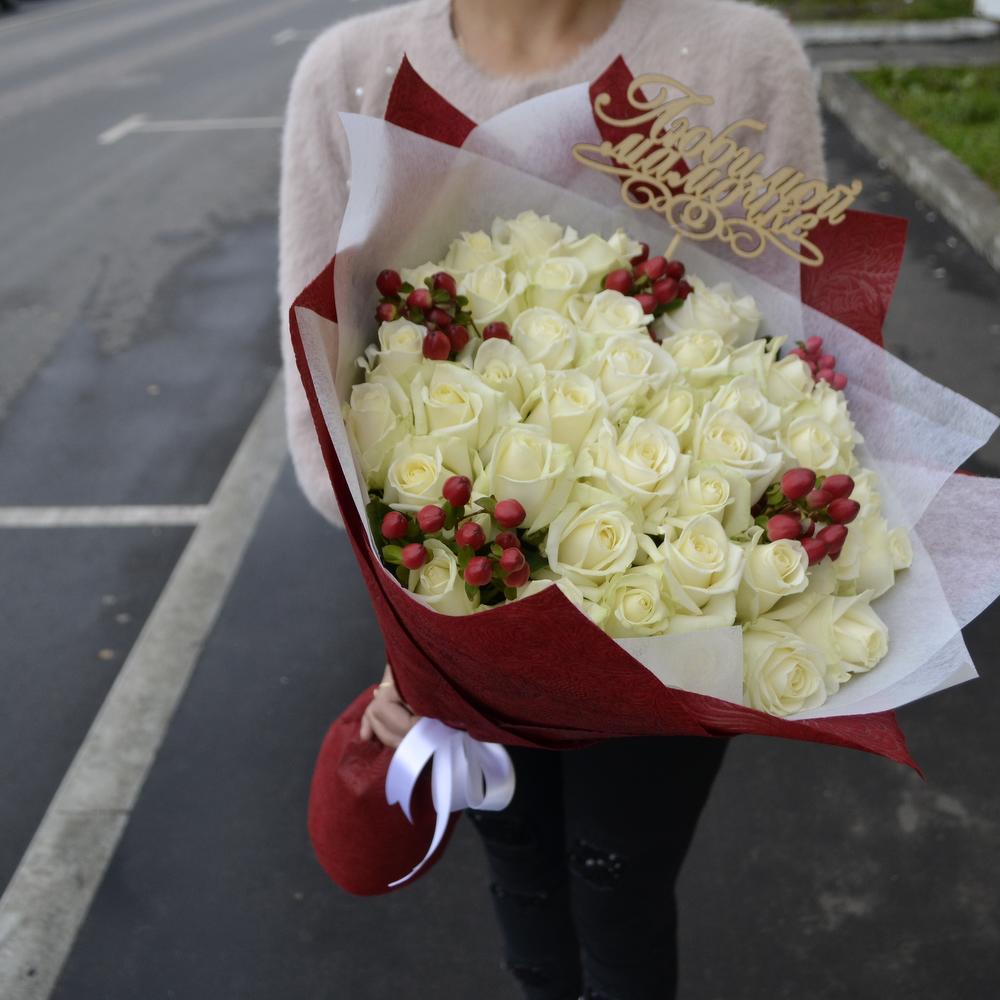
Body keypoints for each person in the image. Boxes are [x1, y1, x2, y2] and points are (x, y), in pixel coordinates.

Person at [279, 2, 825, 997]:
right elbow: (325, 401)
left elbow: (806, 368)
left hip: (677, 617)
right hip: (465, 603)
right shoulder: (348, 72)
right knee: (521, 865)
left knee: (621, 884)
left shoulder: (743, 58)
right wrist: (430, 611)